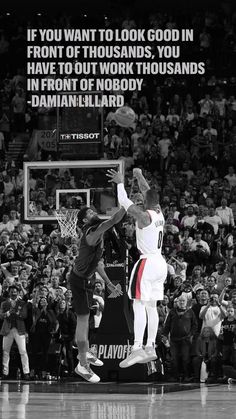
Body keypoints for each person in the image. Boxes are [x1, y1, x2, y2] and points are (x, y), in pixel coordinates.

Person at [107, 168, 167, 368]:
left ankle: (136, 349)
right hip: (160, 264)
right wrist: (140, 175)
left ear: (145, 201)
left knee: (138, 304)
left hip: (147, 263)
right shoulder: (158, 212)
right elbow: (148, 191)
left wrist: (120, 182)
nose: (139, 199)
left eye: (141, 198)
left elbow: (124, 201)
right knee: (151, 306)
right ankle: (150, 347)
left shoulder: (143, 216)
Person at [69, 206, 125, 383]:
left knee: (88, 321)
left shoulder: (97, 235)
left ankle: (85, 355)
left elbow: (98, 264)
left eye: (94, 212)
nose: (94, 214)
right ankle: (82, 363)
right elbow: (112, 221)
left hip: (88, 278)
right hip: (80, 280)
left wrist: (109, 284)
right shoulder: (91, 233)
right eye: (90, 213)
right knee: (83, 321)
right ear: (85, 220)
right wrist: (126, 203)